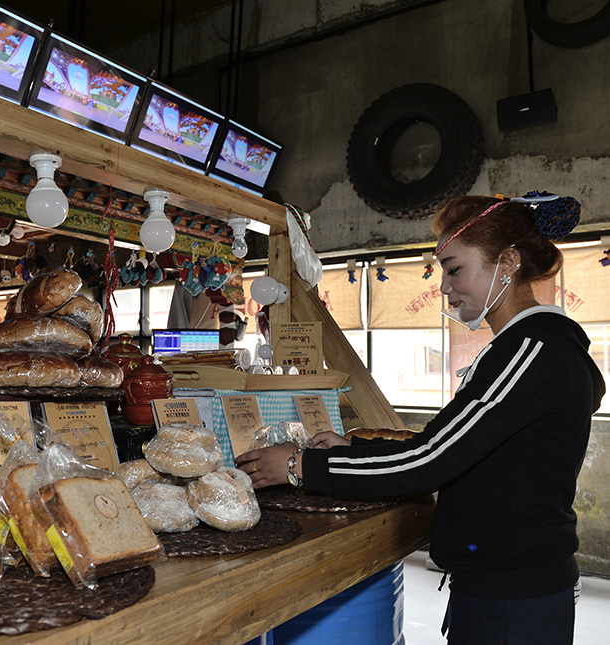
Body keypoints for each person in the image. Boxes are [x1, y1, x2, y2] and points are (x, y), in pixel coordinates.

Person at [235, 193, 605, 644]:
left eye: (454, 269)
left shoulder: (530, 352)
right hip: (506, 585)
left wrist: (298, 466)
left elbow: (430, 461)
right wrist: (354, 448)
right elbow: (457, 445)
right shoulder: (536, 349)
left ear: (507, 262)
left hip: (512, 596)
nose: (445, 288)